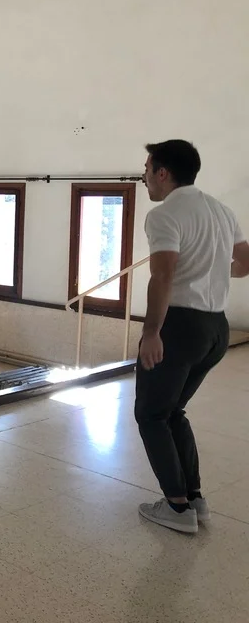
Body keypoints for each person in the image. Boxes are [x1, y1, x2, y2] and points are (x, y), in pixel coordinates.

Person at [136, 139, 249, 534]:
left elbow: (163, 275)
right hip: (216, 329)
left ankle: (177, 508)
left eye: (147, 169)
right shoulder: (221, 210)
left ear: (162, 172)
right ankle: (194, 499)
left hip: (180, 327)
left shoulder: (164, 215)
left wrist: (151, 332)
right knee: (172, 411)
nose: (145, 177)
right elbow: (245, 262)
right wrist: (213, 271)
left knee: (151, 414)